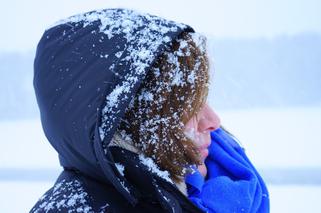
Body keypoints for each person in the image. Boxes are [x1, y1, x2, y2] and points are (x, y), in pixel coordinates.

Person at [31, 8, 269, 213]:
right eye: (188, 107)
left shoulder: (221, 182)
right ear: (131, 122)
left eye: (203, 99)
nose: (213, 121)